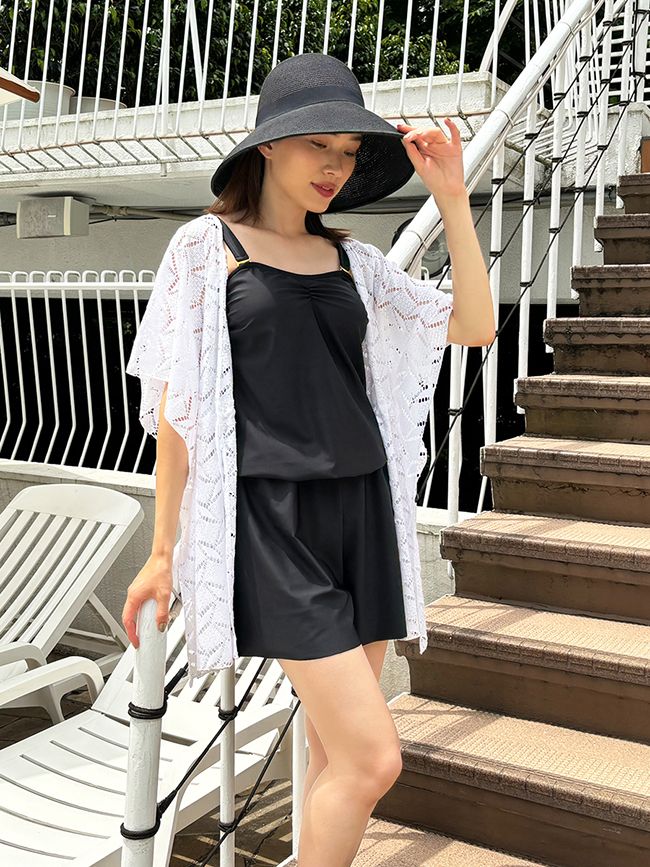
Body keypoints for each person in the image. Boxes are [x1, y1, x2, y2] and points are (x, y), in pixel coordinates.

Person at [122, 52, 493, 867]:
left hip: (364, 513)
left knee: (336, 760)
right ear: (268, 145)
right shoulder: (205, 247)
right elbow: (178, 409)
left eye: (349, 152)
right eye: (317, 144)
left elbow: (473, 324)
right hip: (275, 525)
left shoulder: (357, 262)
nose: (335, 166)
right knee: (373, 759)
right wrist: (162, 549)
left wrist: (451, 199)